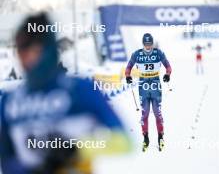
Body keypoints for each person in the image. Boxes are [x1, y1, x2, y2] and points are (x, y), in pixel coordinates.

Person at [0, 13, 131, 174]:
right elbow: (6, 159)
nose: (24, 57)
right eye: (20, 50)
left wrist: (76, 149)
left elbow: (124, 141)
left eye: (31, 49)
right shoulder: (10, 100)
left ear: (47, 49)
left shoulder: (80, 90)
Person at [125, 33, 172, 152]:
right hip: (143, 85)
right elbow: (128, 67)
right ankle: (145, 138)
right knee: (144, 114)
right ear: (143, 44)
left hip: (155, 84)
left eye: (150, 44)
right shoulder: (137, 54)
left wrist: (167, 74)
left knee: (157, 112)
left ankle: (160, 137)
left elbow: (168, 66)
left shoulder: (158, 53)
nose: (148, 47)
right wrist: (127, 76)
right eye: (146, 44)